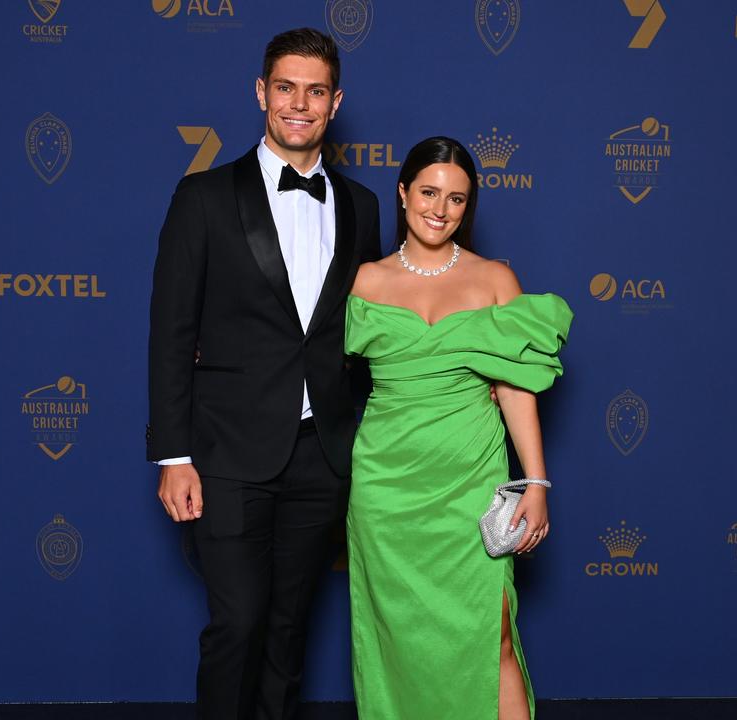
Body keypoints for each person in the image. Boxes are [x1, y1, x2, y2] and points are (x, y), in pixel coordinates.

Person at [147, 28, 380, 720]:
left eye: (315, 91)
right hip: (224, 455)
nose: (299, 104)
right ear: (261, 93)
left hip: (321, 456)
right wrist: (173, 454)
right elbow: (169, 334)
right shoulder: (204, 198)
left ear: (336, 103)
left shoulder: (363, 207)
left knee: (288, 632)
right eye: (285, 88)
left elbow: (371, 335)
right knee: (239, 624)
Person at [345, 137, 572, 719]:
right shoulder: (365, 281)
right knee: (397, 644)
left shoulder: (495, 278)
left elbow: (514, 389)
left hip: (469, 479)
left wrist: (537, 484)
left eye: (456, 199)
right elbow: (312, 368)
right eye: (427, 192)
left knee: (490, 631)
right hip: (386, 489)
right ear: (402, 194)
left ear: (468, 208)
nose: (439, 209)